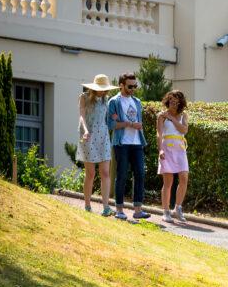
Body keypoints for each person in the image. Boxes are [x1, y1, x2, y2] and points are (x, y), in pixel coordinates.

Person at [107, 72, 150, 221]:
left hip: (137, 142)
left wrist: (129, 124)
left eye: (135, 86)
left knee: (140, 174)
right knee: (122, 175)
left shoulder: (137, 102)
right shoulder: (114, 102)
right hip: (122, 143)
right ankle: (119, 209)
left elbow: (138, 123)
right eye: (130, 86)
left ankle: (138, 210)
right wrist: (130, 124)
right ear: (121, 85)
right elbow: (111, 124)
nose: (133, 89)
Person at [77, 73, 115, 216]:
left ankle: (106, 207)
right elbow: (81, 116)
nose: (102, 91)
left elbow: (108, 119)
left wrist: (114, 118)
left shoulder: (107, 100)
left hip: (103, 136)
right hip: (88, 135)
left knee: (105, 172)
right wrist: (86, 131)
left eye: (104, 88)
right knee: (90, 173)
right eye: (100, 88)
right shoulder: (84, 97)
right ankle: (87, 205)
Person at [157, 90, 189, 225]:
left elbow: (184, 130)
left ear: (180, 103)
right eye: (171, 101)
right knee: (168, 181)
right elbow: (158, 134)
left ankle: (178, 207)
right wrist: (160, 150)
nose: (174, 104)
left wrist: (173, 119)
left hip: (180, 149)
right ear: (167, 101)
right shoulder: (161, 116)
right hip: (167, 148)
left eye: (176, 102)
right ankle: (166, 211)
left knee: (184, 177)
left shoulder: (183, 116)